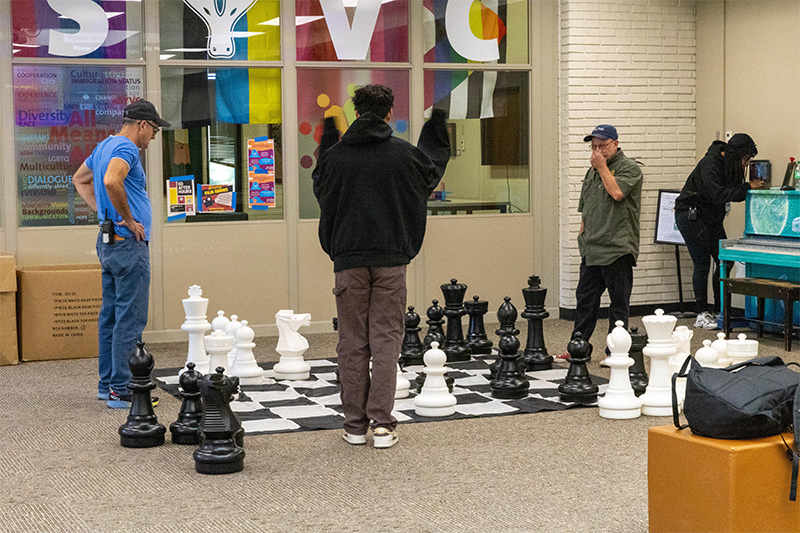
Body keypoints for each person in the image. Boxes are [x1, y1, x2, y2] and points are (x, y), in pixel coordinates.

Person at [312, 85, 449, 449]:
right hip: (391, 262)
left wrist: (328, 136)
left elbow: (320, 185)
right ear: (389, 114)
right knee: (386, 341)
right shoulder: (405, 156)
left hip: (348, 263)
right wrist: (436, 124)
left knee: (352, 342)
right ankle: (384, 426)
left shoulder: (336, 158)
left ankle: (354, 426)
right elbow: (431, 170)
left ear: (356, 113)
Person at [71, 99, 170, 408]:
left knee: (111, 316)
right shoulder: (127, 149)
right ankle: (123, 390)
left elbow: (79, 178)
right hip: (128, 244)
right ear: (142, 125)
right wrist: (128, 220)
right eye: (153, 130)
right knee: (130, 318)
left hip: (109, 242)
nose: (153, 138)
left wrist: (106, 217)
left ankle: (107, 385)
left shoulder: (103, 147)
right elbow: (112, 180)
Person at [674, 133, 767, 330]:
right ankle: (701, 313)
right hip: (690, 215)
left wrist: (748, 188)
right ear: (736, 155)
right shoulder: (711, 164)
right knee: (702, 263)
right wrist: (747, 186)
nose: (745, 163)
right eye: (745, 159)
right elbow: (718, 195)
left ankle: (718, 310)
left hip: (711, 217)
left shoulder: (731, 165)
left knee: (725, 259)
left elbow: (733, 193)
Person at [569, 125, 643, 359]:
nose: (597, 151)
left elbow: (617, 193)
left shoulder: (629, 168)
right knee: (585, 300)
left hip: (617, 248)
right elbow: (586, 204)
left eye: (602, 146)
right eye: (593, 147)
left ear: (615, 144)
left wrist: (601, 167)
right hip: (592, 248)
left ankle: (615, 352)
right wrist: (582, 232)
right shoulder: (592, 170)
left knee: (618, 304)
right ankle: (579, 347)